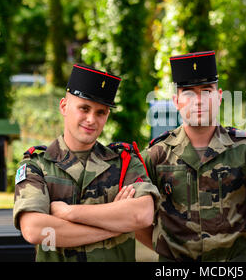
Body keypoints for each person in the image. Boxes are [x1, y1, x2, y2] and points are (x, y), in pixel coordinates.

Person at [13, 63, 160, 262]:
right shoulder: (36, 166)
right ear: (64, 106)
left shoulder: (125, 163)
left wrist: (69, 213)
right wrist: (114, 227)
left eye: (101, 112)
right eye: (84, 108)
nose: (91, 119)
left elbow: (141, 215)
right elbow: (35, 230)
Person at [136, 51, 246, 262]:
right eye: (188, 93)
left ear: (218, 96)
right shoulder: (156, 155)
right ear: (176, 101)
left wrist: (236, 247)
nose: (198, 101)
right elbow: (136, 219)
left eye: (206, 91)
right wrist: (165, 249)